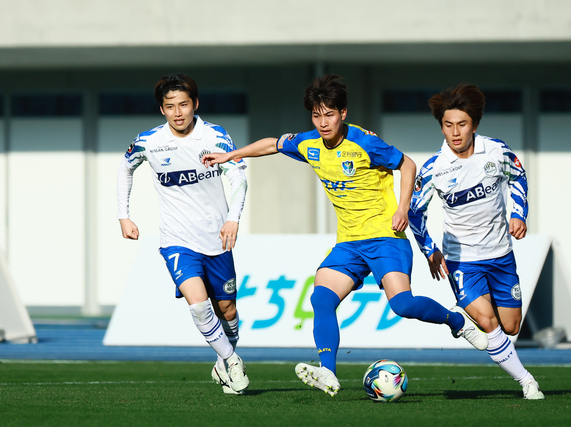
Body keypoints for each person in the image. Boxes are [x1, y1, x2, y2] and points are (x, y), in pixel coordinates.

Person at [201, 74, 487, 397]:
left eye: (329, 114)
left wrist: (403, 207)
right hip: (349, 243)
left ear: (343, 113)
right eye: (316, 115)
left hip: (385, 237)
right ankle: (328, 373)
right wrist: (230, 155)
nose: (323, 123)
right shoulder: (308, 143)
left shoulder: (365, 142)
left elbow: (407, 165)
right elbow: (272, 144)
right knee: (321, 298)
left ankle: (456, 322)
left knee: (403, 305)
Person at [408, 84, 545, 400]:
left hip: (501, 255)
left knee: (511, 326)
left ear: (475, 124)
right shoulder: (434, 168)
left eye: (462, 124)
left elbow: (518, 177)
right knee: (487, 321)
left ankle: (466, 310)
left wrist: (519, 214)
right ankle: (527, 382)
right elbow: (415, 213)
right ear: (441, 126)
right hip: (462, 260)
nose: (455, 133)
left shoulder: (496, 151)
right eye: (448, 125)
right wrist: (430, 250)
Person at [117, 74, 250, 394]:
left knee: (228, 310)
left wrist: (232, 219)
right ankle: (232, 360)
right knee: (199, 305)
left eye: (183, 105)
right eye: (170, 106)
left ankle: (222, 361)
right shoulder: (149, 141)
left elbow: (238, 178)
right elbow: (125, 168)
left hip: (217, 240)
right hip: (177, 240)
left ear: (195, 104)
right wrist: (124, 215)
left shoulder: (215, 136)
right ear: (162, 109)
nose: (177, 113)